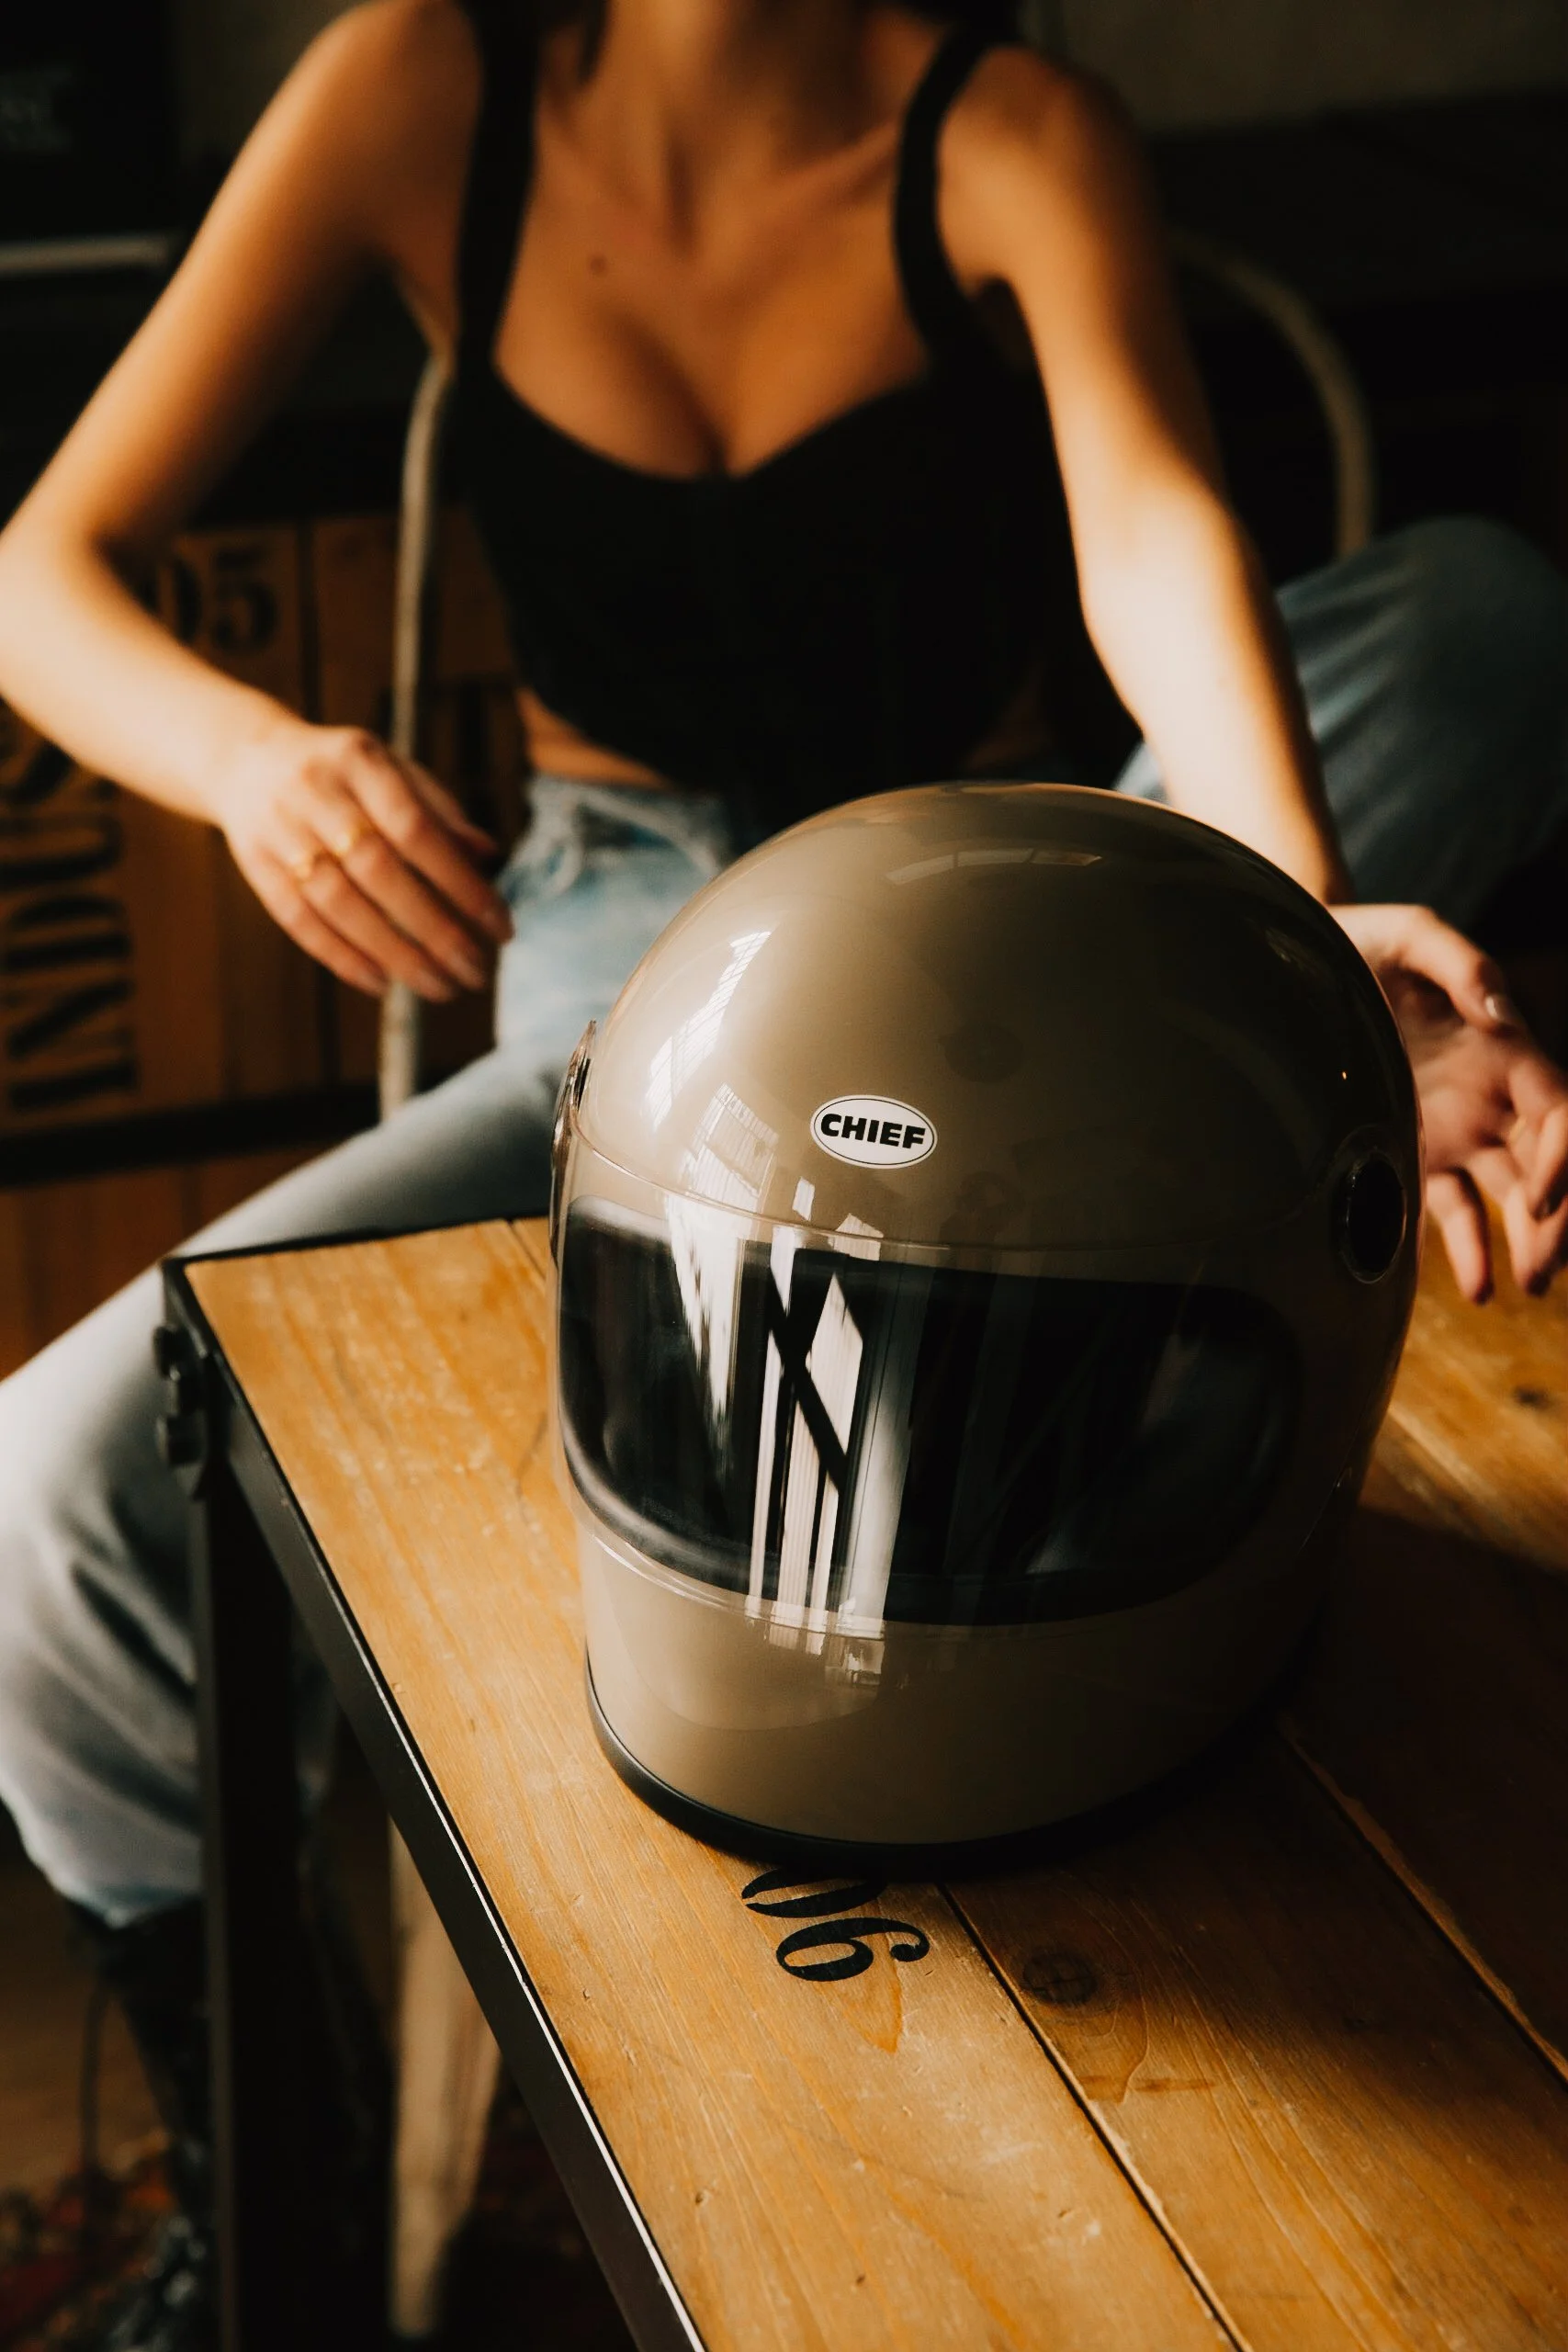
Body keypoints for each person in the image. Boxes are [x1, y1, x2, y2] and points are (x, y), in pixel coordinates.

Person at [0, 0, 1564, 2339]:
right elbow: (41, 561)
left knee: (1476, 620)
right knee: (51, 1488)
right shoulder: (416, 88)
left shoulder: (1005, 125)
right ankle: (276, 2196)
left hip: (1010, 941)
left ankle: (1212, 1016)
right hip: (645, 1013)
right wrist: (253, 763)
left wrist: (1296, 940)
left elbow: (1153, 527)